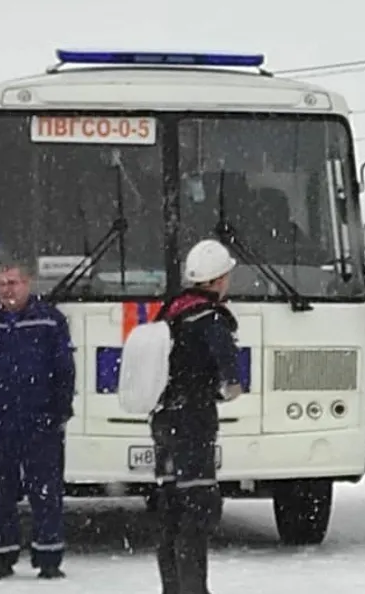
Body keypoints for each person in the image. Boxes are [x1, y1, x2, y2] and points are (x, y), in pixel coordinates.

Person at [0, 261, 76, 581]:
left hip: (40, 420)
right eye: (2, 283)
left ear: (28, 283)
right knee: (0, 493)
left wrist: (59, 410)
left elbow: (64, 369)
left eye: (13, 282)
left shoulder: (48, 320)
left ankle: (48, 558)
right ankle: (3, 557)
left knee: (45, 491)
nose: (7, 289)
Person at [152, 239, 244, 594]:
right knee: (198, 510)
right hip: (193, 421)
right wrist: (228, 388)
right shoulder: (211, 318)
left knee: (171, 512)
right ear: (219, 279)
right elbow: (229, 377)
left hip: (163, 422)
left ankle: (172, 589)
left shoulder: (170, 311)